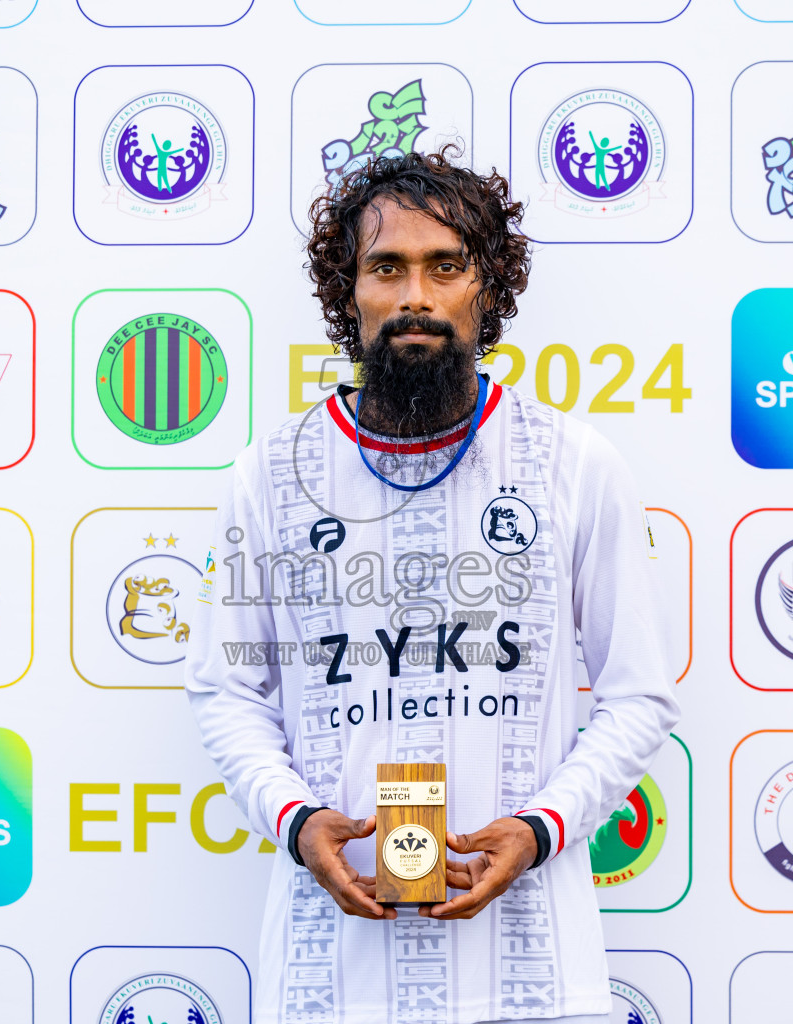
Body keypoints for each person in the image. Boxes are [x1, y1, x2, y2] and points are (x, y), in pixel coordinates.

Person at [184, 147, 680, 1024]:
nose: (416, 295)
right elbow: (226, 689)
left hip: (536, 976)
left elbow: (638, 695)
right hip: (328, 978)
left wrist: (540, 830)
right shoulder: (271, 473)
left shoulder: (573, 465)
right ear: (348, 294)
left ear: (488, 290)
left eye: (445, 266)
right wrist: (298, 822)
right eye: (387, 268)